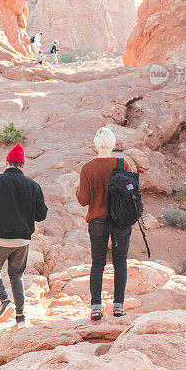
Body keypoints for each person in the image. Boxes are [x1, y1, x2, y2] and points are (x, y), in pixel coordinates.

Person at [0, 142, 48, 328]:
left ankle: (5, 301)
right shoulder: (34, 186)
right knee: (16, 275)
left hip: (0, 239)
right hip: (22, 240)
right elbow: (41, 216)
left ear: (7, 162)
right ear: (23, 165)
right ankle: (21, 318)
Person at [75, 127, 132, 321]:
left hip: (97, 220)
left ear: (96, 144)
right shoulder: (123, 165)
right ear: (113, 143)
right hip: (121, 221)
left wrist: (77, 190)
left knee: (98, 263)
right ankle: (118, 306)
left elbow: (83, 200)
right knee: (120, 262)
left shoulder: (88, 168)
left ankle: (96, 308)